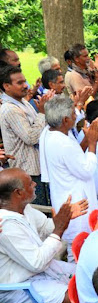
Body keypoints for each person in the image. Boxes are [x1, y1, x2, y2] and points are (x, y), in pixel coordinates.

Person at [0, 168, 84, 303]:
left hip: (39, 273)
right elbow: (37, 263)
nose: (35, 184)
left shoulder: (24, 208)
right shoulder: (6, 226)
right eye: (30, 183)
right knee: (77, 298)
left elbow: (46, 227)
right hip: (18, 287)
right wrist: (59, 229)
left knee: (86, 275)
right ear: (18, 193)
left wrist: (64, 218)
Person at [39, 95, 98, 254]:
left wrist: (86, 140)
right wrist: (92, 143)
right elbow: (86, 170)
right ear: (65, 120)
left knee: (79, 247)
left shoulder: (48, 132)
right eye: (74, 114)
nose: (76, 116)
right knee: (79, 249)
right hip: (76, 202)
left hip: (64, 195)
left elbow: (74, 159)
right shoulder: (63, 142)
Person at [0, 66, 49, 205]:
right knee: (38, 211)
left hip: (35, 169)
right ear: (6, 86)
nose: (26, 85)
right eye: (20, 83)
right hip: (26, 172)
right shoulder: (10, 109)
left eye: (25, 81)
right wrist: (42, 113)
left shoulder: (23, 103)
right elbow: (31, 138)